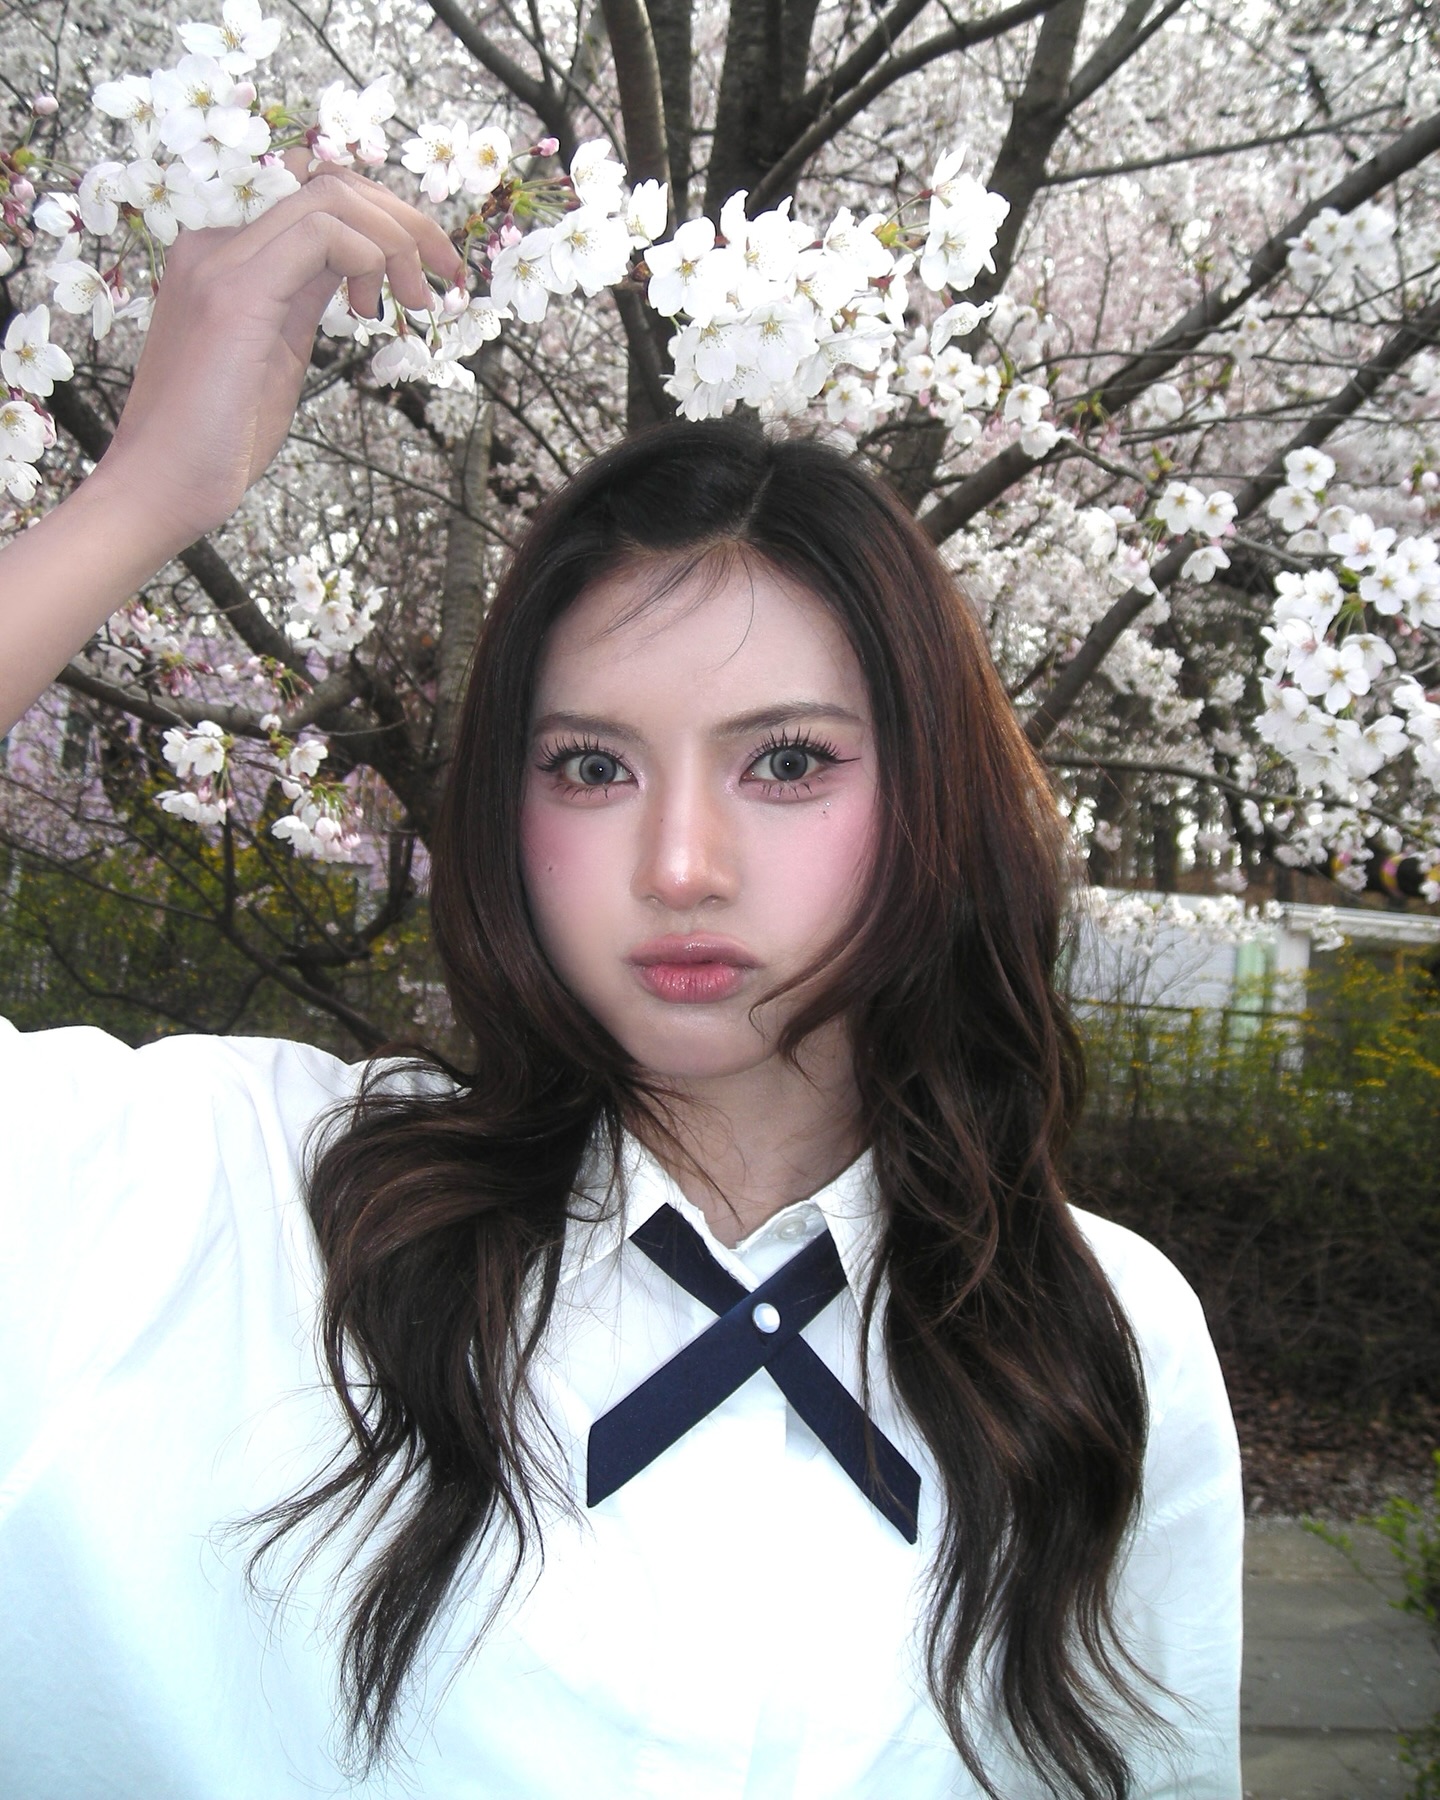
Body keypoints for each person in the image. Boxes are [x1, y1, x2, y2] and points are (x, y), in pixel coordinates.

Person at [0, 166, 1243, 1800]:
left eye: (787, 762)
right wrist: (140, 497)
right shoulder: (238, 1207)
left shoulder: (1102, 1336)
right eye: (591, 767)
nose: (680, 865)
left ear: (932, 793)